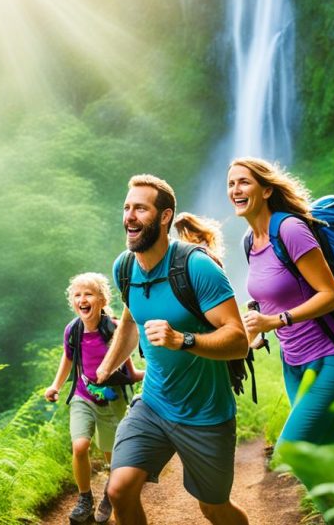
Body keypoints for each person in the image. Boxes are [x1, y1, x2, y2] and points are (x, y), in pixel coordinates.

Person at [97, 174, 250, 525]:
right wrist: (107, 367)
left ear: (164, 217)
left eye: (140, 208)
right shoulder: (125, 267)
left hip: (206, 415)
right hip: (153, 405)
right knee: (119, 491)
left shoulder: (196, 267)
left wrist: (183, 339)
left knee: (213, 508)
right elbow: (131, 320)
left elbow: (238, 340)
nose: (129, 216)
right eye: (126, 207)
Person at [228, 157, 334, 448]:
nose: (236, 189)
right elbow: (275, 293)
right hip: (293, 363)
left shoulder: (290, 229)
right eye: (231, 184)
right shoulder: (250, 241)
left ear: (266, 190)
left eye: (244, 182)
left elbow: (331, 296)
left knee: (292, 452)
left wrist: (275, 321)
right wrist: (254, 331)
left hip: (330, 358)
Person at [45, 272, 144, 524]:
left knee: (114, 456)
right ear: (72, 301)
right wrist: (55, 385)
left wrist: (143, 375)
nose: (82, 299)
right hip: (83, 395)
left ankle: (111, 495)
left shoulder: (113, 327)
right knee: (80, 446)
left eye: (88, 294)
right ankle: (84, 497)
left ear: (101, 299)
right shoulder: (73, 330)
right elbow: (68, 359)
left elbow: (127, 363)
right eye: (77, 295)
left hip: (113, 400)